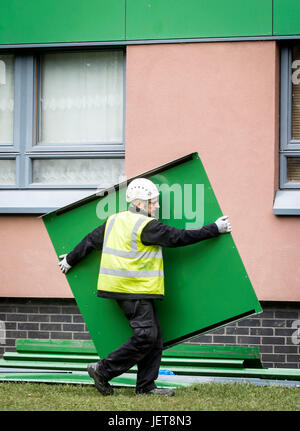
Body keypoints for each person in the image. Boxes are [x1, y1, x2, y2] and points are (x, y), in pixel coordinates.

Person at [58, 178, 232, 397]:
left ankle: (146, 387)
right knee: (146, 336)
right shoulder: (147, 226)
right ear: (139, 204)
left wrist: (71, 260)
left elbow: (91, 240)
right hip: (133, 290)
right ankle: (102, 370)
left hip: (125, 289)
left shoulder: (114, 220)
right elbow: (179, 237)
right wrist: (214, 228)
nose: (157, 206)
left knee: (154, 337)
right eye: (153, 202)